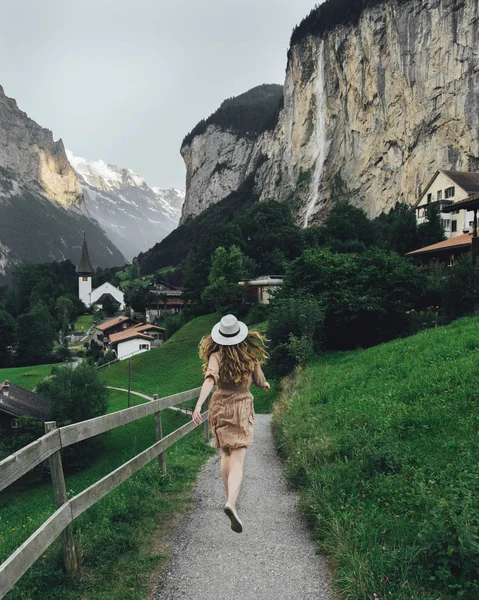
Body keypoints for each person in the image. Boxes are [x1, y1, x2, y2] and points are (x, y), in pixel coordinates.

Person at [192, 314, 270, 533]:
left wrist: (199, 405)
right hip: (241, 407)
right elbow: (259, 379)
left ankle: (229, 498)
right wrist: (265, 385)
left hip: (219, 407)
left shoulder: (216, 356)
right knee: (238, 459)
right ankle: (231, 502)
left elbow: (210, 379)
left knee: (226, 453)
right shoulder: (249, 357)